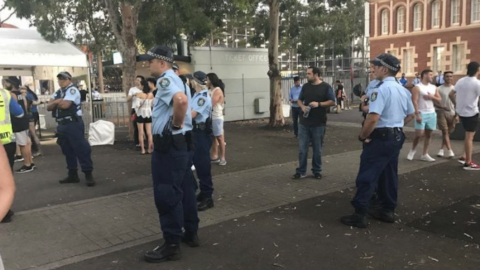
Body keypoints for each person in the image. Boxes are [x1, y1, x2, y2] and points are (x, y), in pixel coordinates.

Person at [341, 53, 415, 228]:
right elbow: (411, 114)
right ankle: (387, 210)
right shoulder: (402, 90)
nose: (373, 69)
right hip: (396, 137)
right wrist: (396, 126)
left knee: (368, 175)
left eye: (375, 66)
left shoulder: (381, 90)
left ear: (384, 69)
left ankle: (360, 213)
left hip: (380, 137)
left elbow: (373, 118)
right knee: (389, 175)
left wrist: (363, 136)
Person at [140, 45, 199, 263]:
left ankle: (172, 244)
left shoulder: (165, 79)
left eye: (151, 61)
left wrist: (175, 124)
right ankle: (191, 232)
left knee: (166, 192)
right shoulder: (179, 78)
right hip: (182, 144)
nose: (148, 64)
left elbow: (181, 101)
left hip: (171, 146)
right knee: (185, 187)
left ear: (161, 63)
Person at [47, 72, 95, 186]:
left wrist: (57, 102)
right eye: (59, 79)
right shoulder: (58, 92)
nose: (61, 81)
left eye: (63, 79)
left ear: (69, 79)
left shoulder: (72, 90)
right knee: (67, 150)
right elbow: (48, 107)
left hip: (73, 124)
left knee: (81, 149)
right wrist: (58, 101)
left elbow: (65, 105)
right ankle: (72, 174)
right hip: (62, 125)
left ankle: (88, 173)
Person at [292, 66, 335, 179]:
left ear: (316, 74)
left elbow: (332, 101)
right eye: (307, 73)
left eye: (309, 73)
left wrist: (319, 104)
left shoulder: (325, 87)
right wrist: (302, 107)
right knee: (302, 149)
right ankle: (301, 171)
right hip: (304, 122)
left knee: (317, 149)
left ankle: (317, 170)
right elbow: (300, 100)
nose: (307, 75)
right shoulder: (305, 86)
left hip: (318, 123)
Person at [189, 71, 214, 211]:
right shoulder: (196, 96)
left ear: (195, 81)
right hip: (196, 132)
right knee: (197, 163)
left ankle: (208, 196)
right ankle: (203, 192)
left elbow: (192, 114)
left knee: (203, 165)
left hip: (201, 133)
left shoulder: (202, 97)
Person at [449, 62, 480, 170]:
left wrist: (457, 104)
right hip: (471, 112)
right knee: (469, 137)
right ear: (477, 70)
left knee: (468, 135)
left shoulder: (461, 81)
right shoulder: (477, 83)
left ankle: (464, 156)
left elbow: (451, 94)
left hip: (462, 112)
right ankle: (468, 162)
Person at [406, 69, 441, 162]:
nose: (432, 76)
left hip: (432, 113)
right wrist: (417, 114)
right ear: (424, 75)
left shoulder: (434, 87)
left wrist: (431, 97)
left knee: (429, 134)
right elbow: (414, 101)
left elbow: (439, 99)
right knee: (419, 134)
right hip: (421, 113)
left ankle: (425, 154)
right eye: (430, 75)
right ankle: (413, 149)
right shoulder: (417, 87)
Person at [0, 85, 23, 223]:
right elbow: (19, 113)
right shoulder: (5, 94)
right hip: (6, 140)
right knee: (5, 182)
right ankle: (5, 211)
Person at [5, 77, 34, 173]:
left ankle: (27, 164)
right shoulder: (21, 94)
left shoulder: (11, 94)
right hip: (24, 120)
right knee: (27, 142)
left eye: (6, 83)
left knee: (23, 144)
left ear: (11, 84)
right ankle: (30, 162)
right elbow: (25, 107)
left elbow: (14, 108)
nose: (5, 85)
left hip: (17, 122)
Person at [435, 71, 456, 158]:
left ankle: (441, 149)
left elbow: (458, 102)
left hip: (452, 113)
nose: (449, 78)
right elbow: (434, 102)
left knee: (447, 133)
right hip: (441, 112)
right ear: (443, 78)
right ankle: (450, 150)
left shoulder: (455, 89)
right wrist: (442, 107)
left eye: (451, 76)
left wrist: (457, 114)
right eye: (447, 76)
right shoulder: (439, 89)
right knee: (444, 131)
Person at [207, 73, 227, 166]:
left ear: (211, 80)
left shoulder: (217, 90)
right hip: (211, 117)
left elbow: (211, 104)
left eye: (207, 79)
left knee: (219, 137)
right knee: (213, 137)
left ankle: (222, 157)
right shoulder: (209, 90)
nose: (206, 81)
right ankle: (214, 156)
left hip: (216, 117)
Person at [134, 80, 155, 154]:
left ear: (142, 86)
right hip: (149, 113)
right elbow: (153, 104)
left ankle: (142, 149)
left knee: (140, 132)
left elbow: (136, 105)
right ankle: (150, 149)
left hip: (140, 113)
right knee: (149, 133)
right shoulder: (151, 95)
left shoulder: (138, 94)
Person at [24, 86, 42, 157]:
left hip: (27, 117)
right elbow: (37, 102)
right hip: (32, 115)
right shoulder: (30, 96)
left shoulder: (24, 98)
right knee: (33, 134)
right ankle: (38, 150)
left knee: (28, 135)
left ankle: (32, 151)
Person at [128, 76, 145, 147]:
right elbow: (128, 99)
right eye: (136, 80)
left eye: (139, 80)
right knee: (136, 126)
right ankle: (137, 142)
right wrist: (134, 95)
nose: (137, 81)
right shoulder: (132, 89)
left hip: (145, 109)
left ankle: (145, 141)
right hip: (135, 109)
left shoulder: (145, 89)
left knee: (146, 125)